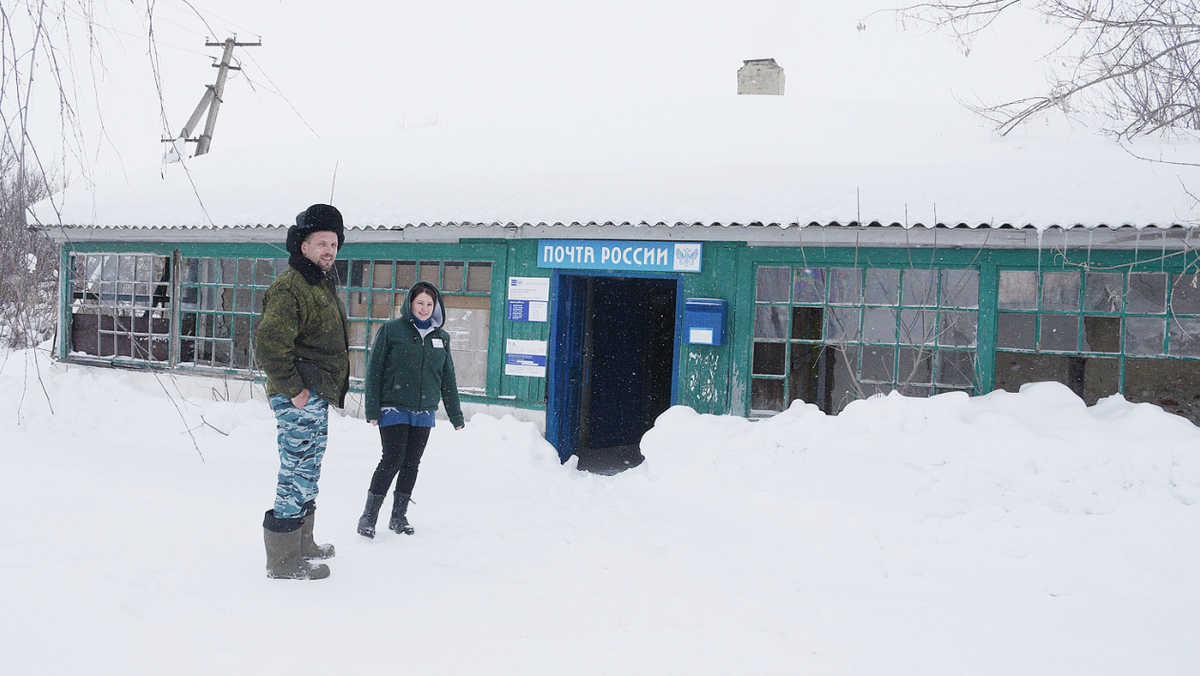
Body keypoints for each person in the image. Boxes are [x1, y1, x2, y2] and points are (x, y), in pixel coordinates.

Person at [254, 203, 350, 580]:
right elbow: (268, 346)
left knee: (308, 468)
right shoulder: (290, 286)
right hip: (299, 397)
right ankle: (281, 560)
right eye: (322, 242)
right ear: (304, 245)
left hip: (315, 396)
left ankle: (302, 542)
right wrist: (294, 390)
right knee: (295, 471)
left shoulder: (319, 283)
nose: (329, 250)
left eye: (334, 243)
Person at [357, 281, 465, 538]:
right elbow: (374, 371)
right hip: (393, 407)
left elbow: (447, 378)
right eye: (420, 303)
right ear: (410, 304)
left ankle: (398, 516)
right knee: (392, 459)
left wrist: (455, 415)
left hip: (424, 410)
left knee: (411, 463)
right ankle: (368, 517)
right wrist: (372, 409)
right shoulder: (392, 330)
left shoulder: (441, 337)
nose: (425, 308)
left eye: (430, 304)